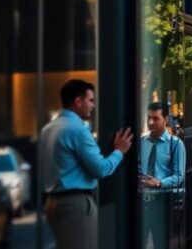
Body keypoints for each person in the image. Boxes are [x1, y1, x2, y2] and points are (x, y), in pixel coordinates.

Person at [39, 79, 133, 249]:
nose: (93, 105)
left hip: (52, 203)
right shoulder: (77, 129)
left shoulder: (48, 129)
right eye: (90, 100)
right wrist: (120, 150)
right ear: (78, 101)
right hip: (75, 205)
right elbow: (101, 169)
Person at [139, 102, 186, 249]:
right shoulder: (142, 143)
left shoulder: (175, 144)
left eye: (155, 118)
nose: (151, 122)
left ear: (165, 119)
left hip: (162, 204)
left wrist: (159, 183)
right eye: (148, 118)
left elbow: (179, 175)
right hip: (141, 203)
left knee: (161, 244)